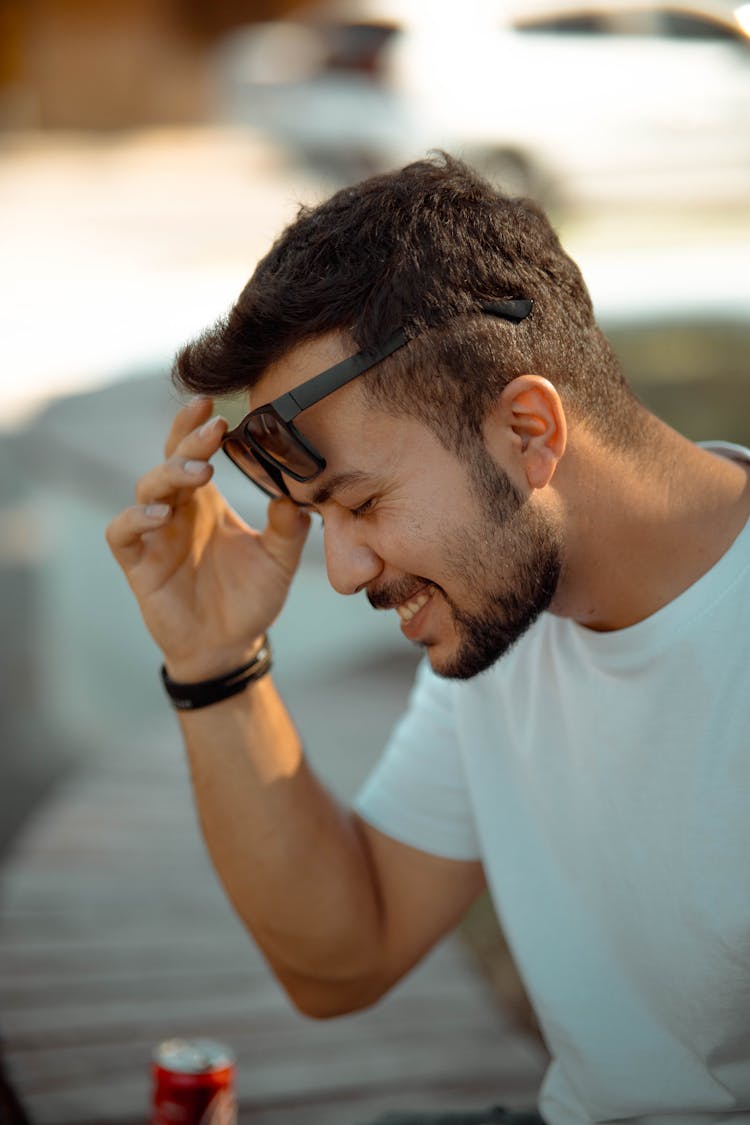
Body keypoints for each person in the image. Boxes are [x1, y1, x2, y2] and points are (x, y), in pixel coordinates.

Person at [106, 154, 750, 1125]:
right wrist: (214, 662)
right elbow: (343, 958)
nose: (344, 570)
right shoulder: (512, 618)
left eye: (361, 502)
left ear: (527, 431)